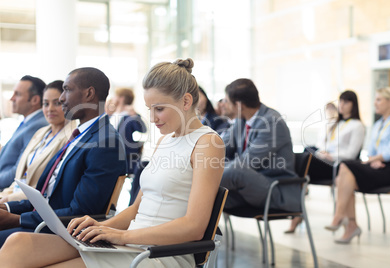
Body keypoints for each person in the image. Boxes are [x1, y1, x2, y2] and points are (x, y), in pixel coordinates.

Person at [0, 58, 225, 267]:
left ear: (186, 101)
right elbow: (136, 209)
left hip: (160, 253)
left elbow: (194, 227)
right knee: (18, 243)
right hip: (131, 243)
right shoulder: (166, 139)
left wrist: (122, 235)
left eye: (159, 109)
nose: (152, 118)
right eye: (150, 109)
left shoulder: (208, 143)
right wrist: (101, 227)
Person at [0, 67, 126, 246]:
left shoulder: (105, 142)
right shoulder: (81, 134)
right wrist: (8, 208)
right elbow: (47, 196)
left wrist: (15, 219)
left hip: (62, 233)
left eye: (67, 90)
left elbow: (81, 211)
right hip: (46, 222)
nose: (61, 98)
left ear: (89, 94)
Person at [325, 87, 390, 244]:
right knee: (344, 177)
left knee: (346, 168)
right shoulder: (378, 124)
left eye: (379, 99)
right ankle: (350, 224)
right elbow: (372, 150)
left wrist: (377, 158)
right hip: (376, 165)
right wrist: (374, 159)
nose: (375, 103)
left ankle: (341, 217)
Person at [285, 90, 365, 233]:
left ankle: (296, 212)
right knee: (302, 154)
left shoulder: (357, 125)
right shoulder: (336, 124)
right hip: (325, 160)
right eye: (340, 101)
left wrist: (331, 155)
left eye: (346, 102)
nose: (342, 105)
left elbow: (352, 154)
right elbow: (324, 144)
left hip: (338, 165)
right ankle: (297, 208)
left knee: (302, 163)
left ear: (353, 105)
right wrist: (322, 152)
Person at [220, 78, 298, 212]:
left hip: (275, 189)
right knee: (208, 198)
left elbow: (245, 164)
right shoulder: (241, 120)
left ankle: (191, 182)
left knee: (235, 170)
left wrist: (204, 174)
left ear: (239, 105)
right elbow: (220, 147)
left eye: (227, 101)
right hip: (248, 188)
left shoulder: (272, 122)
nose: (223, 104)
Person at [0, 80, 76, 203]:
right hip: (15, 197)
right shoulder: (41, 133)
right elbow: (21, 176)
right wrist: (5, 196)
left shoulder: (71, 137)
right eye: (46, 104)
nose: (50, 109)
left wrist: (8, 199)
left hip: (34, 203)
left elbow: (49, 185)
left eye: (57, 103)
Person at [0, 76, 48, 189]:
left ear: (35, 100)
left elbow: (18, 171)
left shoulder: (37, 126)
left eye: (17, 94)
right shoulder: (28, 121)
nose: (12, 98)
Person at [109, 87, 147, 175]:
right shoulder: (112, 115)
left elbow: (143, 130)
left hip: (124, 159)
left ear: (121, 98)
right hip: (110, 155)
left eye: (115, 96)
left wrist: (135, 115)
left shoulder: (130, 117)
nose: (113, 99)